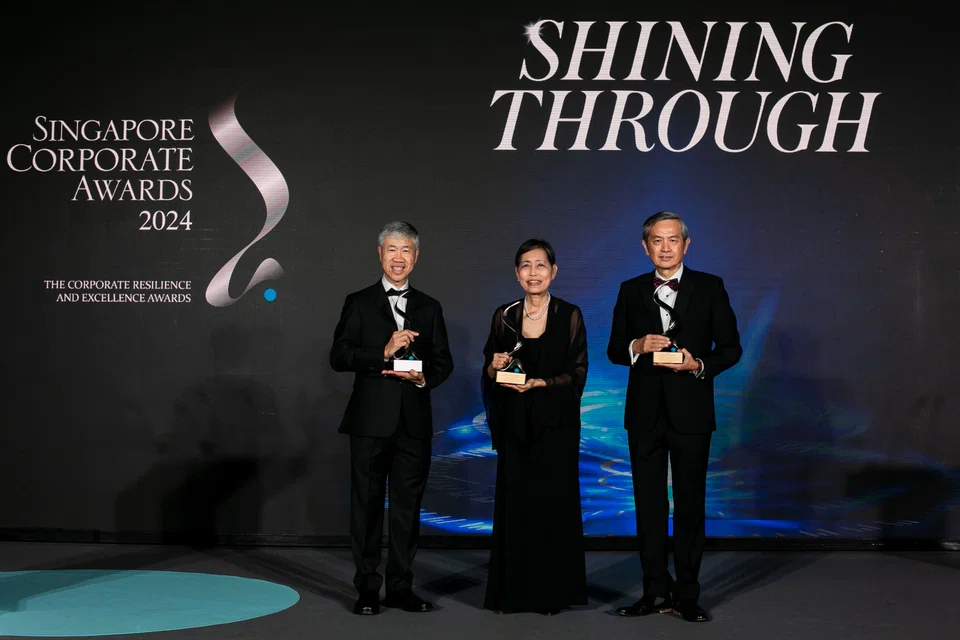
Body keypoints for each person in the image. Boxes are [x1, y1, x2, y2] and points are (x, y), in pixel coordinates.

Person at [607, 211, 742, 623]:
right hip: (644, 414)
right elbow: (615, 349)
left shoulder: (710, 287)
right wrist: (637, 344)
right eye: (656, 241)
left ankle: (686, 595)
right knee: (647, 506)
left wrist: (697, 364)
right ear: (644, 246)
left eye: (672, 240)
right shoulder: (630, 290)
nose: (665, 248)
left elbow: (731, 348)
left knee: (689, 505)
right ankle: (652, 591)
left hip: (692, 413)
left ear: (686, 243)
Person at [330, 221, 454, 615]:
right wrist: (383, 352)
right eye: (392, 250)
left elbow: (443, 362)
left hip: (413, 423)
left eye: (406, 251)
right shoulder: (359, 301)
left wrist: (424, 378)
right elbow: (339, 356)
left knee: (407, 509)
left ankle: (401, 587)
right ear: (380, 254)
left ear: (416, 257)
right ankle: (367, 588)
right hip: (369, 422)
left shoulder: (430, 307)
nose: (398, 258)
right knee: (366, 507)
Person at [482, 239, 588, 615]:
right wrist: (495, 366)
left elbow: (578, 373)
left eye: (540, 265)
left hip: (555, 426)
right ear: (516, 273)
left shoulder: (569, 314)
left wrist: (542, 383)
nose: (533, 273)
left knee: (551, 505)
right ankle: (512, 593)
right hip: (515, 424)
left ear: (553, 272)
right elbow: (490, 371)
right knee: (516, 505)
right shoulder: (505, 315)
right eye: (525, 265)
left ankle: (551, 593)